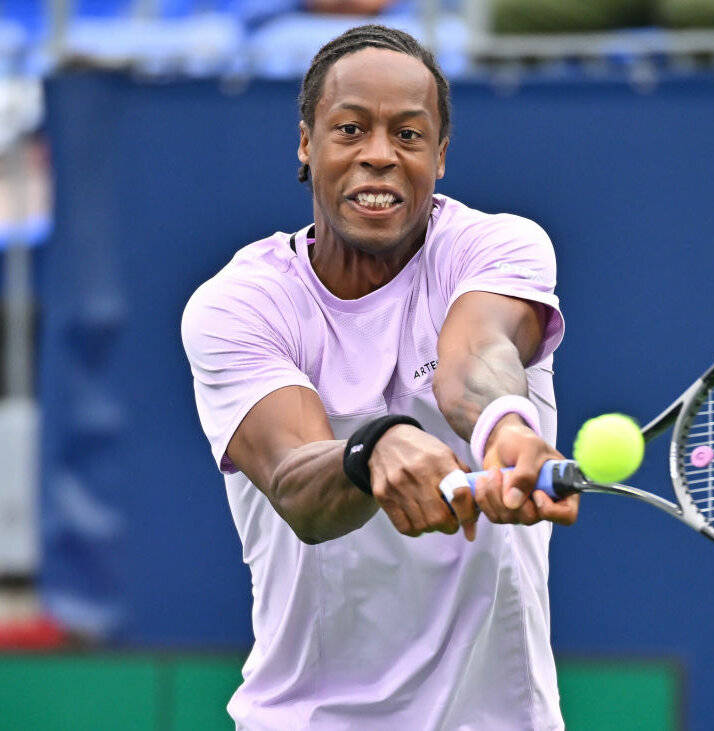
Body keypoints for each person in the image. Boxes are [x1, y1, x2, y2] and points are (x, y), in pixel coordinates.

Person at [181, 24, 579, 730]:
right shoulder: (236, 306)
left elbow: (475, 362)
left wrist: (503, 427)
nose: (378, 156)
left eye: (408, 135)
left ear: (440, 156)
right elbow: (298, 485)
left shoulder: (499, 248)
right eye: (350, 129)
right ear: (306, 144)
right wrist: (373, 448)